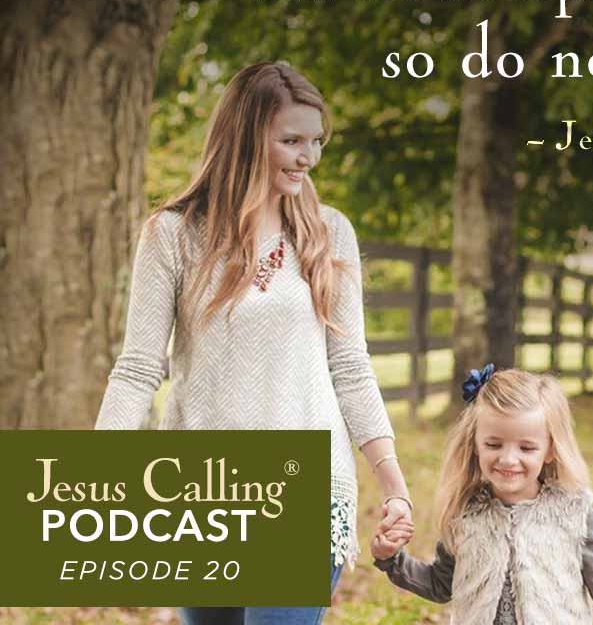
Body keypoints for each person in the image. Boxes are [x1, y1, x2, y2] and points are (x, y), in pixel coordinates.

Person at [95, 62, 413, 624]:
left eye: (315, 141)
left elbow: (351, 367)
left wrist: (393, 484)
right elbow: (139, 367)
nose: (308, 157)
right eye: (291, 140)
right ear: (244, 137)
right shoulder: (172, 234)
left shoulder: (329, 233)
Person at [371, 366, 593, 625]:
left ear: (550, 450)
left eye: (526, 448)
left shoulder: (572, 513)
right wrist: (392, 561)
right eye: (494, 444)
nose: (508, 459)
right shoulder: (464, 512)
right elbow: (440, 584)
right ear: (474, 444)